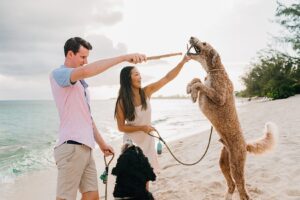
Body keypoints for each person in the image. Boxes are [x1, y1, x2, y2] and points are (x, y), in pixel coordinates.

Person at [49, 37, 146, 200]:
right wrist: (123, 57)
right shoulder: (59, 74)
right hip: (71, 147)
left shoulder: (80, 84)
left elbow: (88, 118)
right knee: (65, 197)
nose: (86, 61)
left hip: (86, 147)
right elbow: (87, 71)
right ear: (70, 54)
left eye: (87, 57)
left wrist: (102, 144)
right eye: (83, 57)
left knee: (93, 196)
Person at [114, 54, 191, 189]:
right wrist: (142, 127)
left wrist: (183, 62)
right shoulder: (122, 101)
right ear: (128, 78)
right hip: (131, 142)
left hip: (147, 141)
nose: (140, 77)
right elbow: (121, 127)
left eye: (139, 74)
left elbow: (167, 78)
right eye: (136, 74)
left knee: (145, 179)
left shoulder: (146, 92)